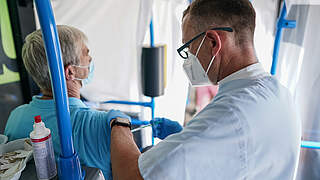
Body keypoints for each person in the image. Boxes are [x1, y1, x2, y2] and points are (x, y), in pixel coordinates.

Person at [107, 0, 301, 179]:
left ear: (213, 42)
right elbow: (240, 156)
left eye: (189, 49)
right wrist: (186, 135)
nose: (188, 60)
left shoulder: (231, 113)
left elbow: (132, 176)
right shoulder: (280, 94)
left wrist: (118, 124)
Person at [4, 25, 129, 179]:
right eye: (86, 53)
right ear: (70, 72)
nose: (90, 59)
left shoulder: (15, 118)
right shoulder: (103, 125)